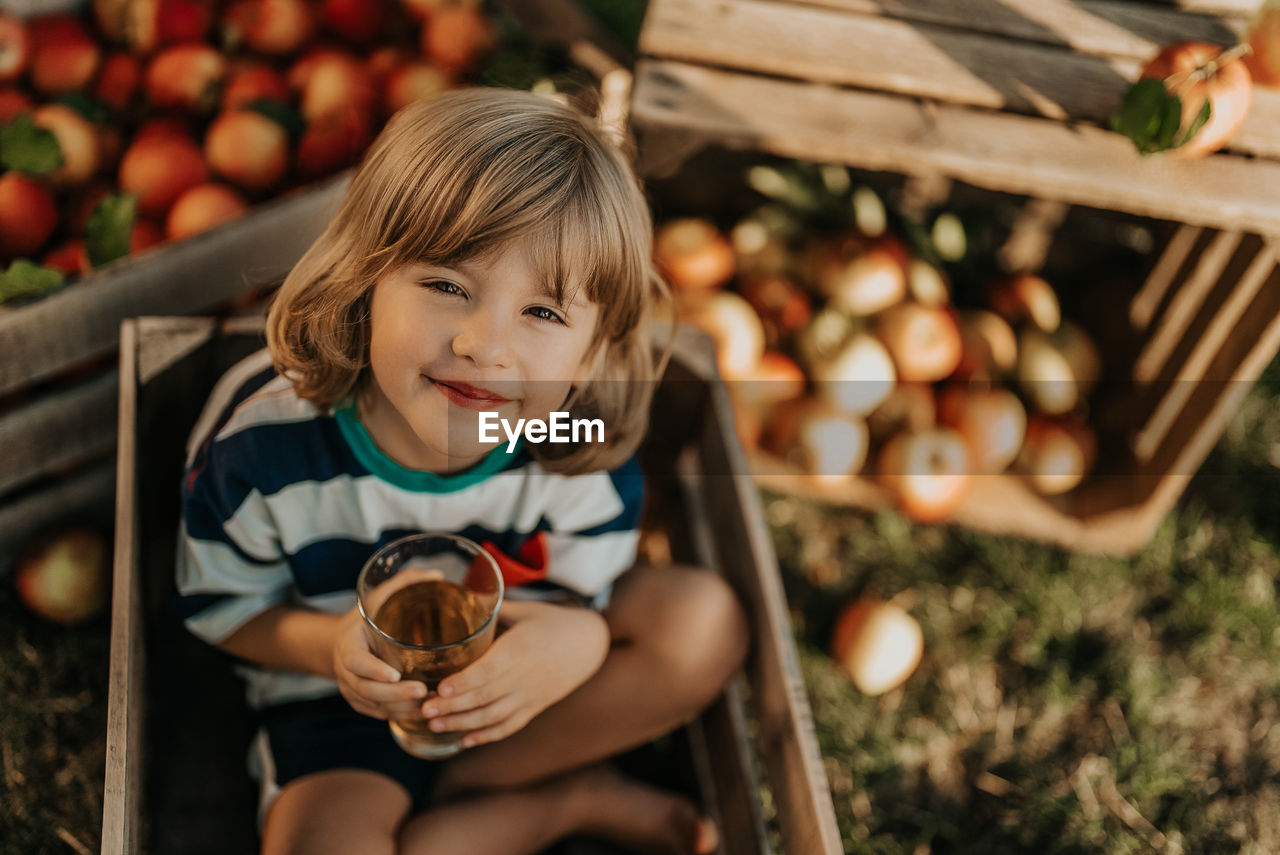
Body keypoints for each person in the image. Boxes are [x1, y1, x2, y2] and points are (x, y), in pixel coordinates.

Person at [177, 87, 749, 855]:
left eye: (543, 313)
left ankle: (493, 801)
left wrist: (579, 637)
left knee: (703, 625)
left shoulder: (573, 453)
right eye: (447, 286)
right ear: (365, 278)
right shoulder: (258, 452)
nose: (486, 345)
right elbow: (224, 607)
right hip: (344, 706)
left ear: (593, 353)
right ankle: (538, 809)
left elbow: (588, 597)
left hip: (517, 693)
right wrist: (332, 647)